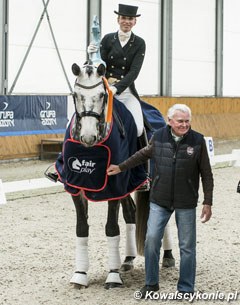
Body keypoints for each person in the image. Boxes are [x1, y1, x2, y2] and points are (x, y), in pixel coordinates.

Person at [107, 103, 214, 299]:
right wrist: (121, 167)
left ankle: (186, 288)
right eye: (180, 121)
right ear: (170, 121)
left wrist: (208, 202)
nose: (184, 125)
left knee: (187, 247)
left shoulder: (197, 141)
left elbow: (206, 174)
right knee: (151, 240)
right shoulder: (158, 137)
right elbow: (141, 155)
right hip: (160, 200)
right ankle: (151, 284)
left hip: (186, 201)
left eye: (187, 121)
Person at [88, 3, 145, 137]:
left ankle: (141, 157)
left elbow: (134, 71)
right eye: (124, 18)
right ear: (118, 20)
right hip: (104, 90)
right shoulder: (108, 39)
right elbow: (99, 65)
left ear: (135, 22)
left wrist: (117, 88)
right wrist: (91, 55)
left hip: (125, 91)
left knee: (138, 128)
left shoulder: (140, 43)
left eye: (130, 19)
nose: (127, 21)